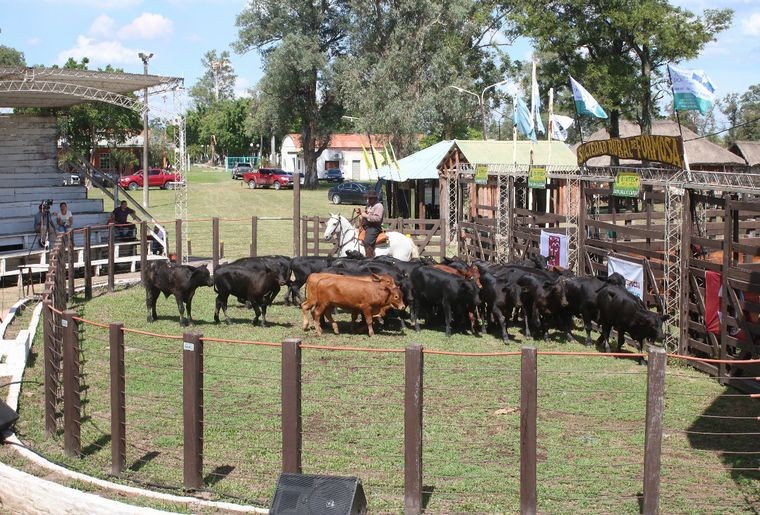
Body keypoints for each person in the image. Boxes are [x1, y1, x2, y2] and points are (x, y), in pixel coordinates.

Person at [360, 190, 384, 258]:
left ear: (375, 198)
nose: (368, 200)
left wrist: (366, 216)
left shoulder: (379, 206)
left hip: (374, 227)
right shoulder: (370, 205)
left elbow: (378, 218)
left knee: (367, 242)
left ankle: (370, 258)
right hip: (367, 226)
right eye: (368, 198)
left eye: (370, 198)